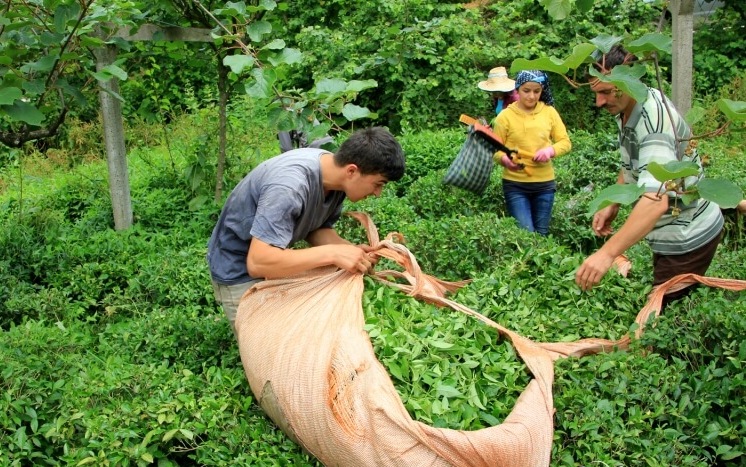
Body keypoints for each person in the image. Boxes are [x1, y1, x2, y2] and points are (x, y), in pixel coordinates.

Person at [207, 127, 406, 334]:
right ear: (352, 171)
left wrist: (349, 250)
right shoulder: (289, 187)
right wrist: (333, 254)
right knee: (268, 347)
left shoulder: (335, 177)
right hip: (238, 268)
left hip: (273, 254)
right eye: (378, 184)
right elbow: (258, 262)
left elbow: (315, 228)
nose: (378, 193)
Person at [575, 44, 724, 305]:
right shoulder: (627, 105)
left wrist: (607, 254)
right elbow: (635, 162)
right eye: (596, 93)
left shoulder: (653, 124)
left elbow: (656, 201)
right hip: (668, 232)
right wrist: (614, 201)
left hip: (686, 237)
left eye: (606, 92)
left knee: (661, 321)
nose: (599, 102)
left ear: (630, 80)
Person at [491, 69, 572, 236]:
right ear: (517, 90)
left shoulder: (549, 112)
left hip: (545, 185)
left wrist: (550, 151)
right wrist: (505, 160)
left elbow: (565, 142)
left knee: (542, 233)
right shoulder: (504, 117)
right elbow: (495, 150)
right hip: (515, 185)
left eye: (537, 91)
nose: (532, 96)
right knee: (526, 233)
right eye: (526, 91)